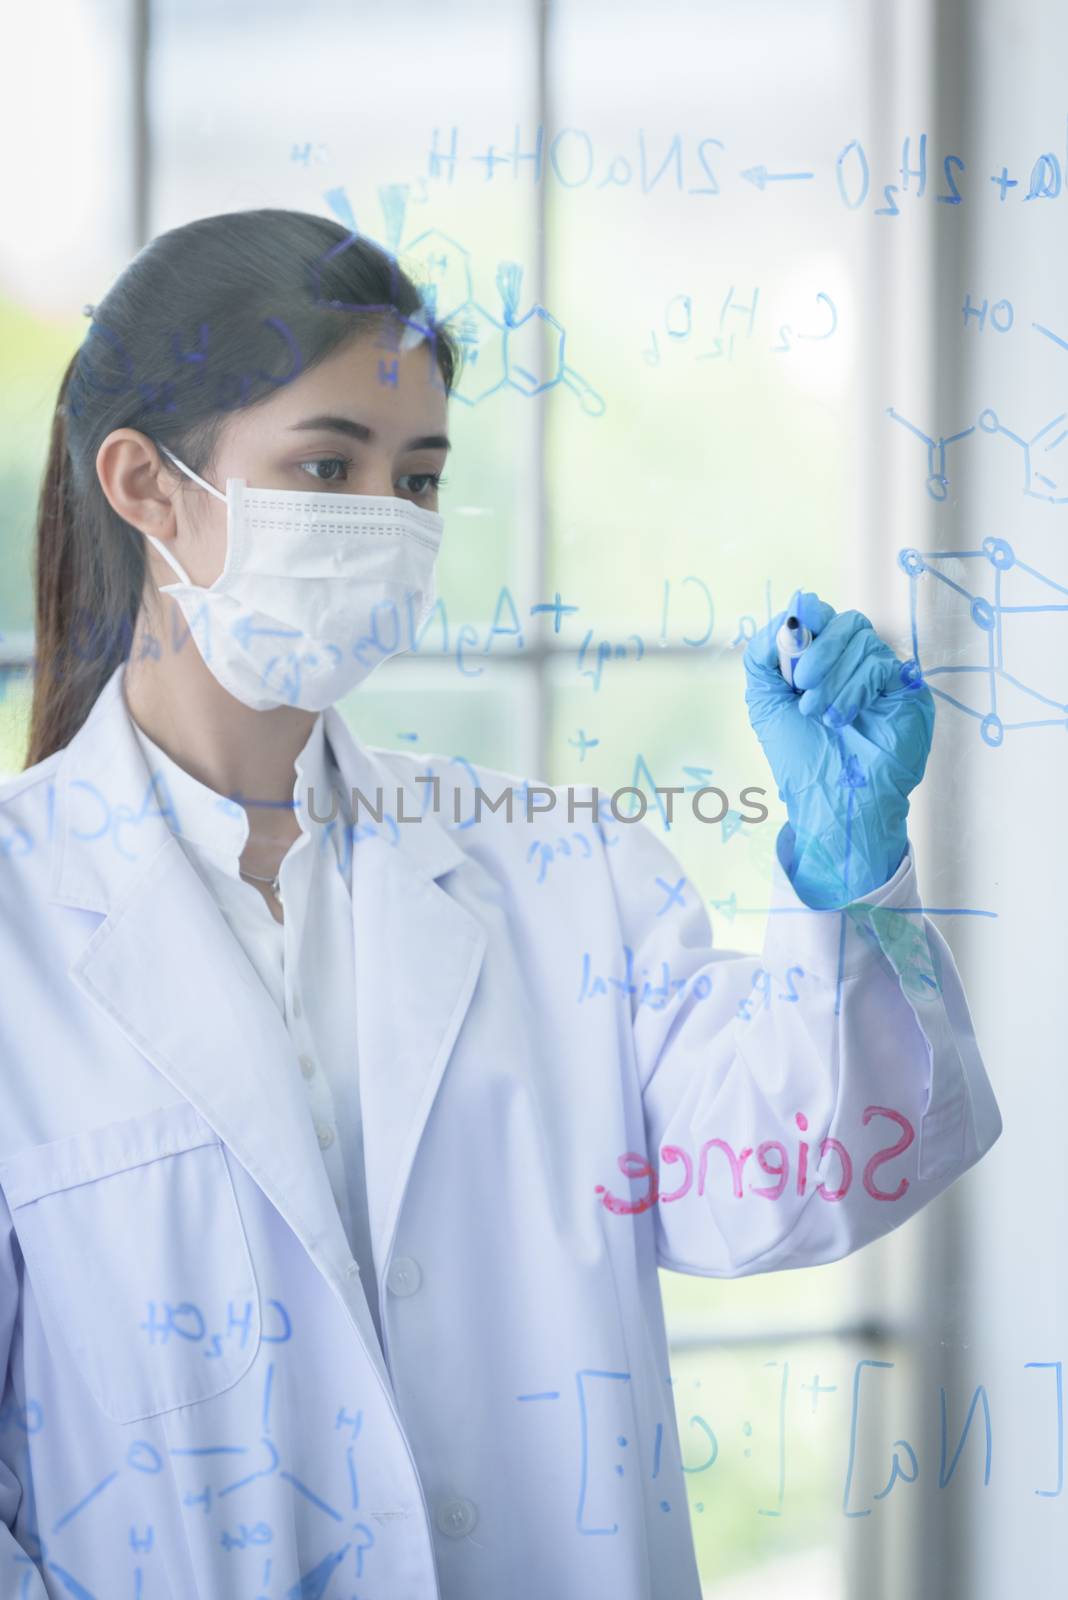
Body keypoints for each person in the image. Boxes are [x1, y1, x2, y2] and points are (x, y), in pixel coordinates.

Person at [0, 209, 1001, 1599]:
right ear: (146, 485)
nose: (387, 523)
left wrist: (844, 878)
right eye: (324, 466)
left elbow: (792, 1185)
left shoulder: (551, 869)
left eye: (417, 478)